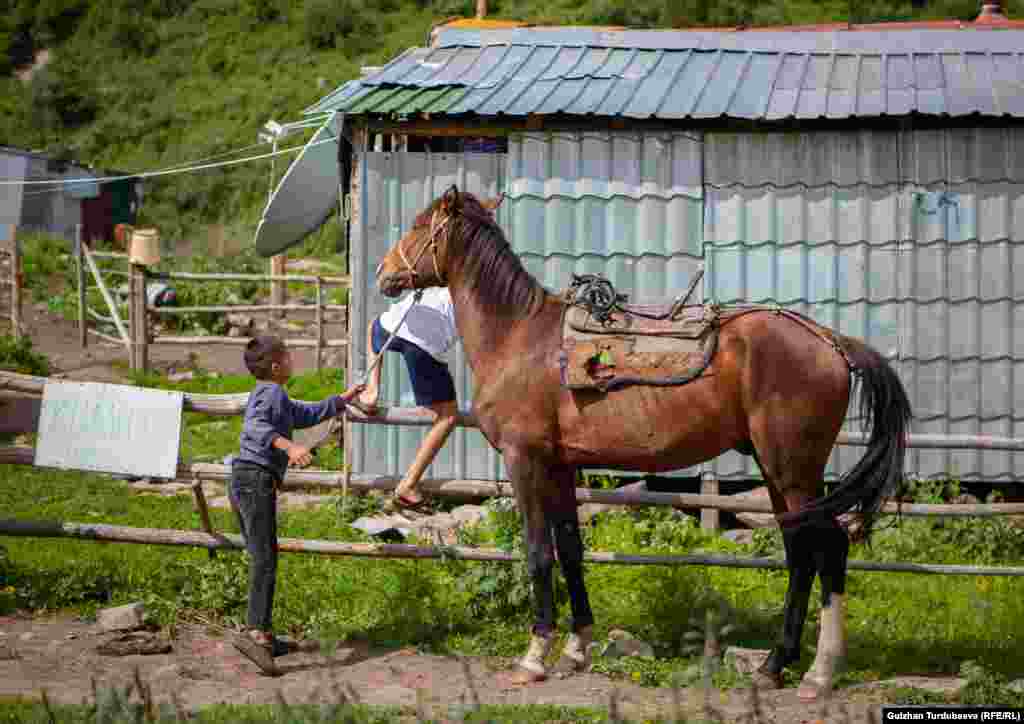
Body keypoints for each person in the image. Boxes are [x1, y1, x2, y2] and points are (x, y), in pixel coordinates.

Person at [229, 335, 365, 675]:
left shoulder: (275, 395)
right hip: (254, 480)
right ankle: (256, 634)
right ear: (276, 366)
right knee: (264, 560)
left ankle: (263, 632)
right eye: (289, 357)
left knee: (263, 557)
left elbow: (302, 414)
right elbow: (255, 426)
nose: (293, 361)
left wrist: (339, 401)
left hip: (247, 480)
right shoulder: (271, 392)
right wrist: (289, 447)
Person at [352, 286, 459, 513]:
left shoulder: (438, 270)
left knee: (374, 327)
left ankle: (371, 392)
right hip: (425, 343)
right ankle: (408, 485)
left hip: (394, 324)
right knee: (447, 417)